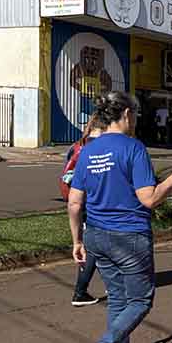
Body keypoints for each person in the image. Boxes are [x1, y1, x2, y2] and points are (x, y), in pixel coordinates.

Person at [67, 91, 172, 343]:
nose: (137, 120)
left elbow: (75, 202)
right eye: (136, 115)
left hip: (96, 235)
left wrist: (77, 239)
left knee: (117, 300)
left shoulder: (88, 150)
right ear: (127, 114)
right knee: (140, 300)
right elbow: (149, 198)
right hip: (129, 236)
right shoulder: (134, 148)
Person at [60, 114, 106, 307]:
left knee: (97, 243)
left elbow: (66, 173)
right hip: (94, 200)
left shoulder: (78, 145)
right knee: (94, 246)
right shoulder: (101, 146)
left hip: (77, 197)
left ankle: (111, 284)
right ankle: (80, 291)